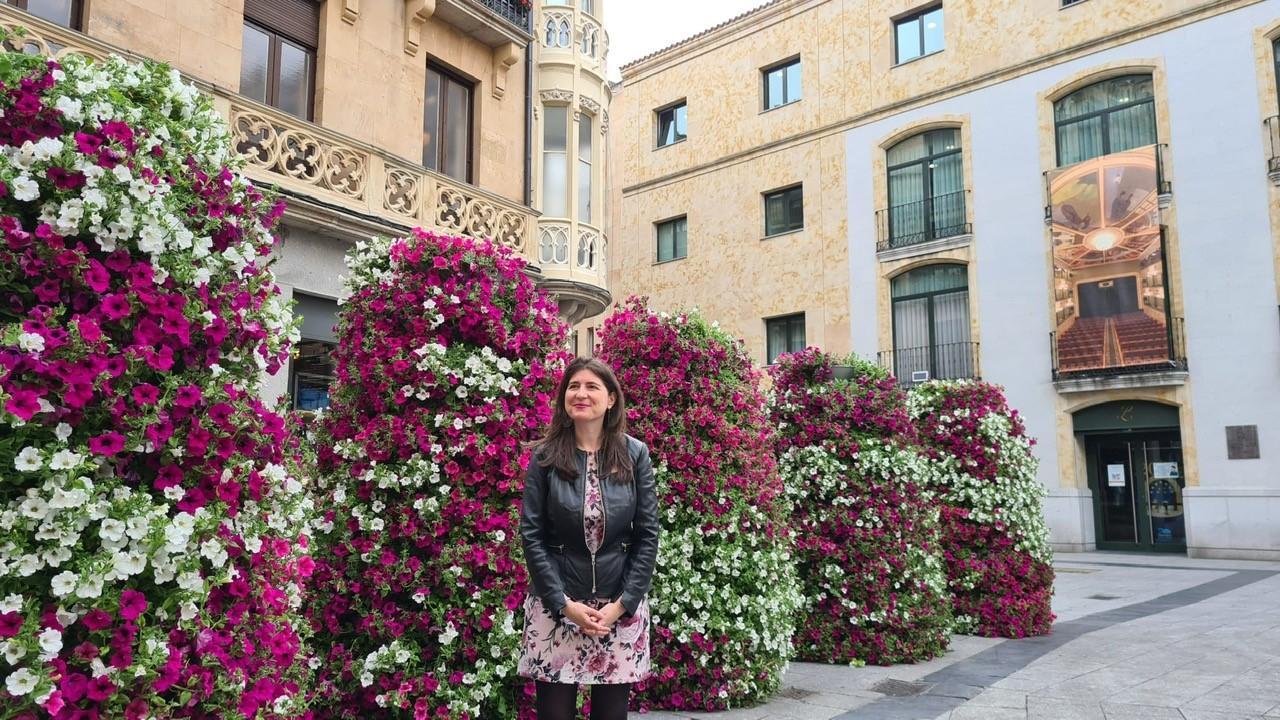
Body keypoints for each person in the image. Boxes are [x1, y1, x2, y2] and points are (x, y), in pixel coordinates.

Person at [518, 357, 659, 719]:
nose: (580, 393)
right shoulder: (545, 457)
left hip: (617, 609)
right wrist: (564, 604)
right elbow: (532, 536)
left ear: (611, 399)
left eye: (592, 386)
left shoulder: (634, 454)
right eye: (573, 386)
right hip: (557, 607)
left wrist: (623, 603)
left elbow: (647, 535)